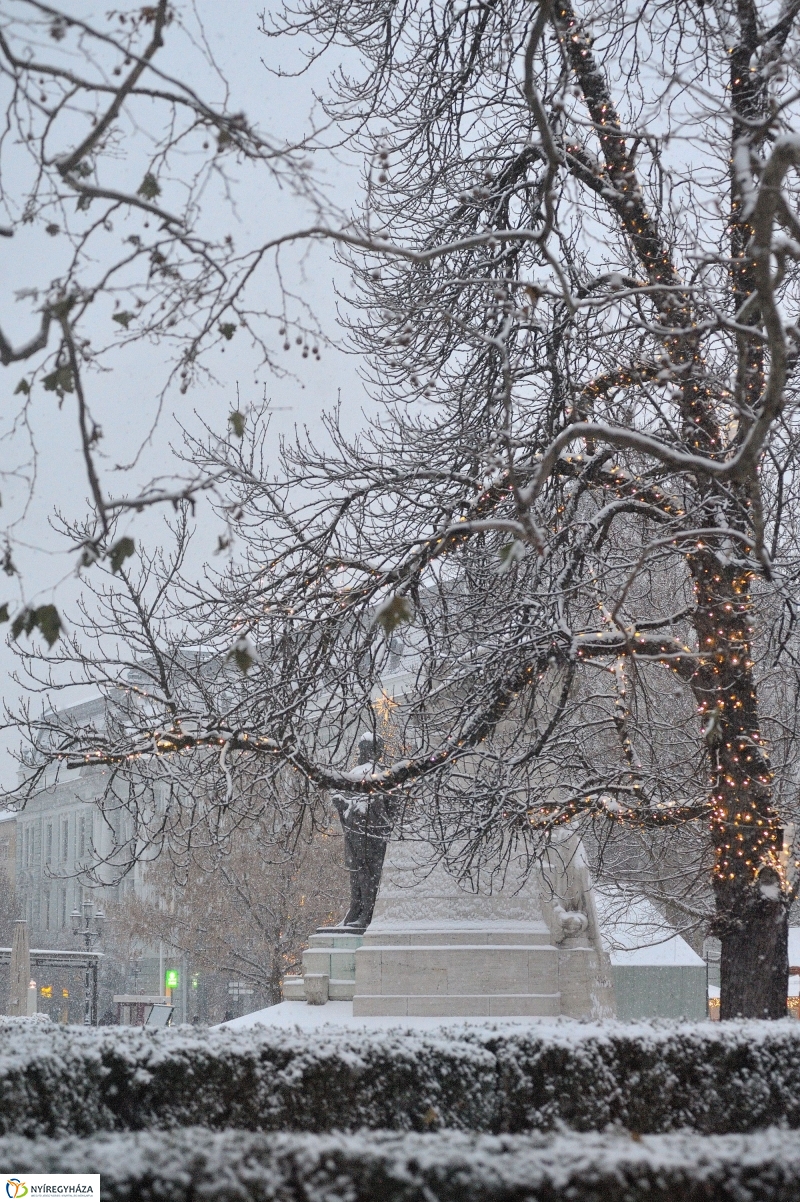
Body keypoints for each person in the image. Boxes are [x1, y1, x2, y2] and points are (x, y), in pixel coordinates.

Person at [331, 733, 394, 929]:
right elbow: (352, 804)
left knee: (368, 872)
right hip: (356, 832)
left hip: (371, 835)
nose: (361, 752)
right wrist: (342, 804)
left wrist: (350, 806)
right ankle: (356, 907)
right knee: (357, 872)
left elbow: (382, 808)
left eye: (365, 748)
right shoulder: (357, 772)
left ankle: (367, 910)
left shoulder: (377, 773)